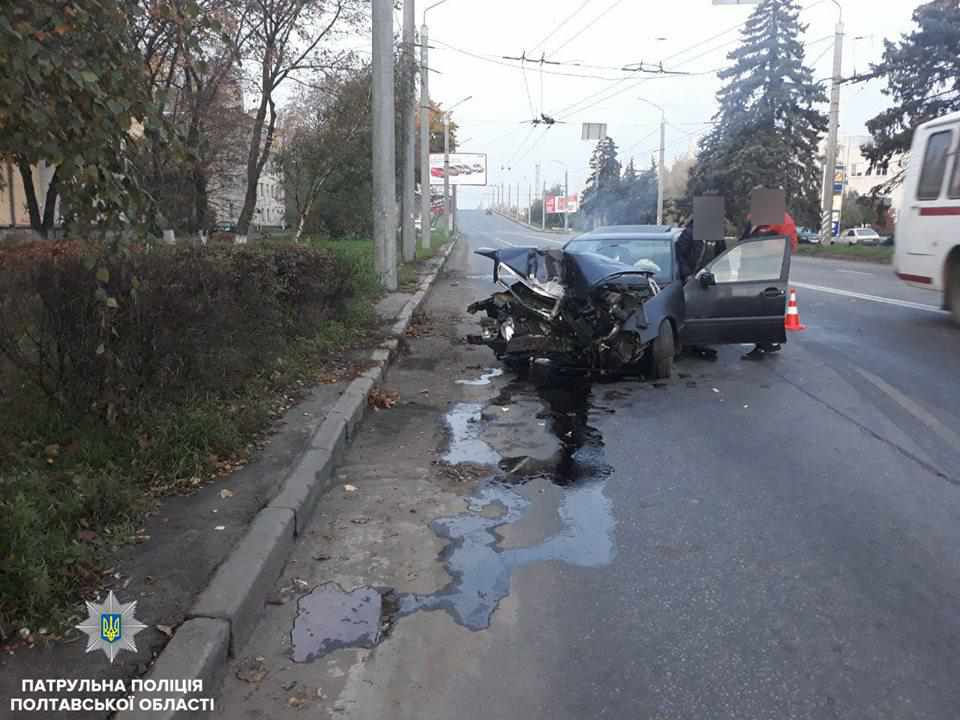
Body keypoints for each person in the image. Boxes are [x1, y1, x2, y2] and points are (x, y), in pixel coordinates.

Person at [739, 210, 798, 360]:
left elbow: (749, 244)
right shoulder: (772, 219)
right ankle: (769, 343)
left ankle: (761, 347)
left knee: (757, 310)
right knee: (766, 309)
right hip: (769, 272)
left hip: (763, 272)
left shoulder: (772, 222)